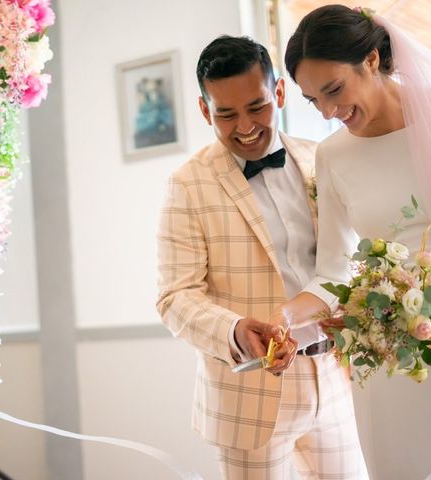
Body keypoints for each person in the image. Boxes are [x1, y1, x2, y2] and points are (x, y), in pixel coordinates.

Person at [281, 4, 431, 479]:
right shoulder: (332, 156)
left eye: (333, 90)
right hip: (388, 363)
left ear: (370, 60)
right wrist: (285, 320)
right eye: (312, 101)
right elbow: (333, 271)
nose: (328, 113)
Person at [157, 35, 368, 479]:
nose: (245, 126)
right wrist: (232, 331)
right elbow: (174, 297)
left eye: (257, 107)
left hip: (334, 375)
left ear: (279, 93)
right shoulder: (187, 185)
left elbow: (348, 258)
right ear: (203, 110)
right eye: (226, 114)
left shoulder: (320, 160)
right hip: (248, 394)